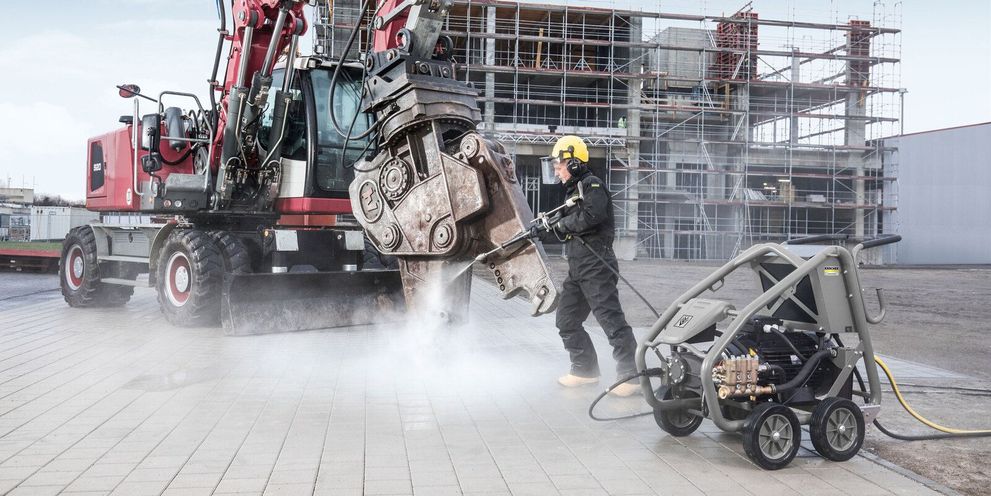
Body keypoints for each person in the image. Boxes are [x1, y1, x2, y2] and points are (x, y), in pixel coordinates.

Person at [540, 135, 640, 397]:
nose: (556, 170)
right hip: (577, 267)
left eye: (559, 165)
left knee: (609, 318)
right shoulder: (573, 192)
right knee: (566, 319)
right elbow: (567, 225)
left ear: (573, 163)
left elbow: (593, 216)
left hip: (596, 265)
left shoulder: (592, 185)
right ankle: (585, 370)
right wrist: (546, 227)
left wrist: (562, 224)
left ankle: (631, 375)